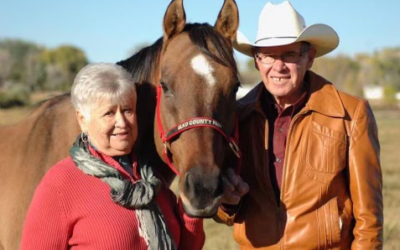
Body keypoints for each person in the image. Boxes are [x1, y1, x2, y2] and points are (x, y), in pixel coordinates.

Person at [217, 1, 383, 249]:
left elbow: (369, 221)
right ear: (256, 60)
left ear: (310, 57)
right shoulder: (238, 118)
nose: (278, 66)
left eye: (290, 54)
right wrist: (227, 202)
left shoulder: (351, 114)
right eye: (268, 56)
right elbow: (225, 213)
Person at [20, 63, 205, 250]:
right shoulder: (60, 184)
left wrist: (192, 210)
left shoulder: (151, 180)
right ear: (83, 120)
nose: (122, 122)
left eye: (127, 110)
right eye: (109, 113)